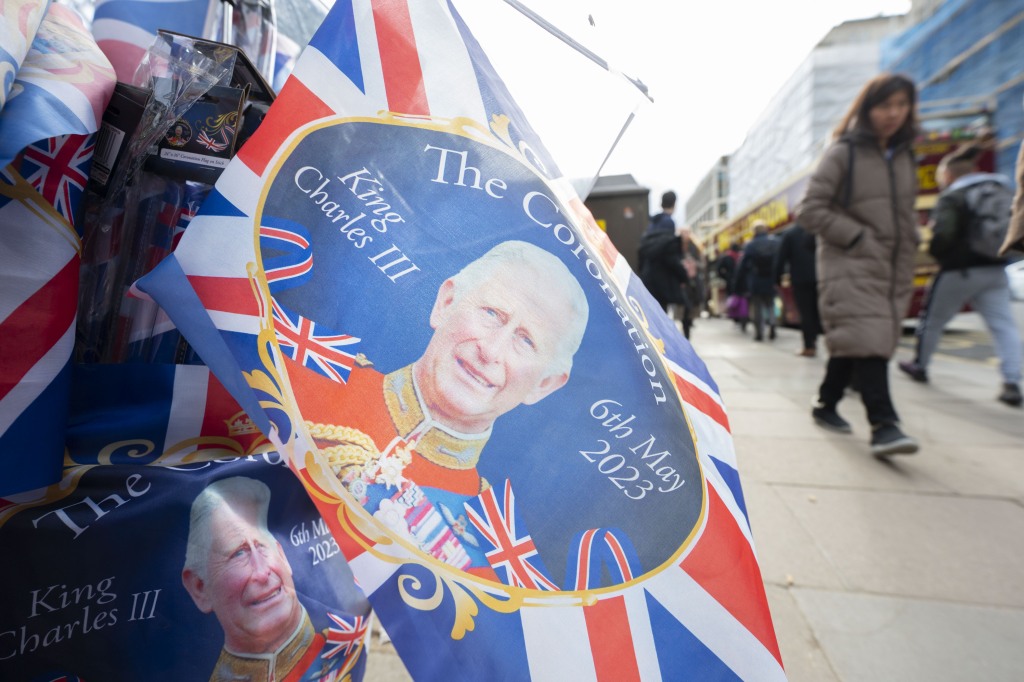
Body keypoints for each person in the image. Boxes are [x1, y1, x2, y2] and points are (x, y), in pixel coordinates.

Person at [285, 240, 589, 576]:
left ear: (543, 384)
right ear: (445, 303)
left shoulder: (491, 562)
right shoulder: (299, 368)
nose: (491, 351)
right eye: (491, 313)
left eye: (526, 340)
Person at [796, 73, 921, 457]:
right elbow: (810, 209)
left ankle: (826, 403)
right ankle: (884, 424)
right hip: (852, 262)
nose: (894, 113)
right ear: (867, 109)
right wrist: (857, 237)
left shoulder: (904, 156)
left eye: (902, 105)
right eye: (885, 105)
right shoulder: (844, 152)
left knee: (861, 340)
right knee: (870, 342)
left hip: (892, 266)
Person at [182, 476, 348, 681]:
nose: (262, 573)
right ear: (199, 588)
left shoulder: (344, 643)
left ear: (283, 556)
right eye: (238, 554)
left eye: (261, 546)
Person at [898, 142, 1022, 407]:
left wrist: (936, 253)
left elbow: (943, 235)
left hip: (959, 271)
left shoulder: (954, 196)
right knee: (1002, 326)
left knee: (932, 320)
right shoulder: (1000, 187)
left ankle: (920, 365)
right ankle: (1012, 382)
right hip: (995, 267)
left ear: (950, 175)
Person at [774, 223, 822, 356]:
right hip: (820, 275)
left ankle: (809, 346)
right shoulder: (817, 228)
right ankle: (817, 338)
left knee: (805, 312)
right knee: (818, 310)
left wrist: (777, 278)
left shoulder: (790, 233)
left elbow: (781, 257)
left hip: (800, 278)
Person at [733, 221, 779, 341]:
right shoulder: (775, 243)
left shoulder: (751, 245)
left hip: (756, 280)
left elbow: (742, 266)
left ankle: (759, 332)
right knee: (770, 304)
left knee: (757, 307)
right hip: (771, 279)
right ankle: (773, 324)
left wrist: (737, 283)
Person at [638, 220, 690, 317]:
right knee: (662, 315)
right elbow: (675, 264)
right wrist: (685, 278)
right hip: (663, 286)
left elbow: (640, 263)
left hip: (648, 283)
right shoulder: (670, 242)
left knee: (651, 315)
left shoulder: (647, 240)